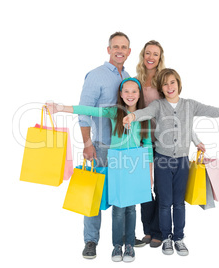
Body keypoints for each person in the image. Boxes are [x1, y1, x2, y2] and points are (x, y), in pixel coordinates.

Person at [123, 68, 219, 256]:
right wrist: (131, 116)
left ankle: (178, 237)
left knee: (179, 203)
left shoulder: (190, 105)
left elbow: (216, 111)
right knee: (164, 203)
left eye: (172, 82)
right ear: (161, 88)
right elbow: (144, 113)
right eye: (165, 83)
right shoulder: (158, 105)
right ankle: (167, 238)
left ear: (179, 84)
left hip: (182, 161)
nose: (169, 86)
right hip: (162, 160)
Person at [46, 77, 153, 262]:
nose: (130, 95)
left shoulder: (144, 116)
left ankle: (129, 245)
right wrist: (61, 108)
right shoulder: (115, 112)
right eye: (126, 91)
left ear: (139, 94)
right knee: (119, 208)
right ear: (120, 94)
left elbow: (148, 145)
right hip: (117, 165)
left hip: (136, 167)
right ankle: (117, 246)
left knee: (132, 208)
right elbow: (89, 110)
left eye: (134, 91)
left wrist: (149, 173)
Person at [135, 40, 205, 248]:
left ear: (160, 57)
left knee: (162, 191)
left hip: (164, 143)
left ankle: (160, 233)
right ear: (142, 55)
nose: (151, 57)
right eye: (148, 53)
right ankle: (148, 230)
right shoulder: (136, 80)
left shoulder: (164, 80)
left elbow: (180, 118)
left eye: (155, 54)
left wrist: (195, 139)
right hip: (142, 139)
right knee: (144, 188)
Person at [76, 32, 132, 259]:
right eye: (116, 46)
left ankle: (124, 240)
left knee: (123, 197)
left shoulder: (128, 77)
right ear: (108, 49)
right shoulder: (96, 76)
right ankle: (91, 241)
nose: (120, 50)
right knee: (94, 197)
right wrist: (87, 143)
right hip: (100, 147)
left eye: (124, 47)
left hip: (124, 150)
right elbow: (83, 112)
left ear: (129, 51)